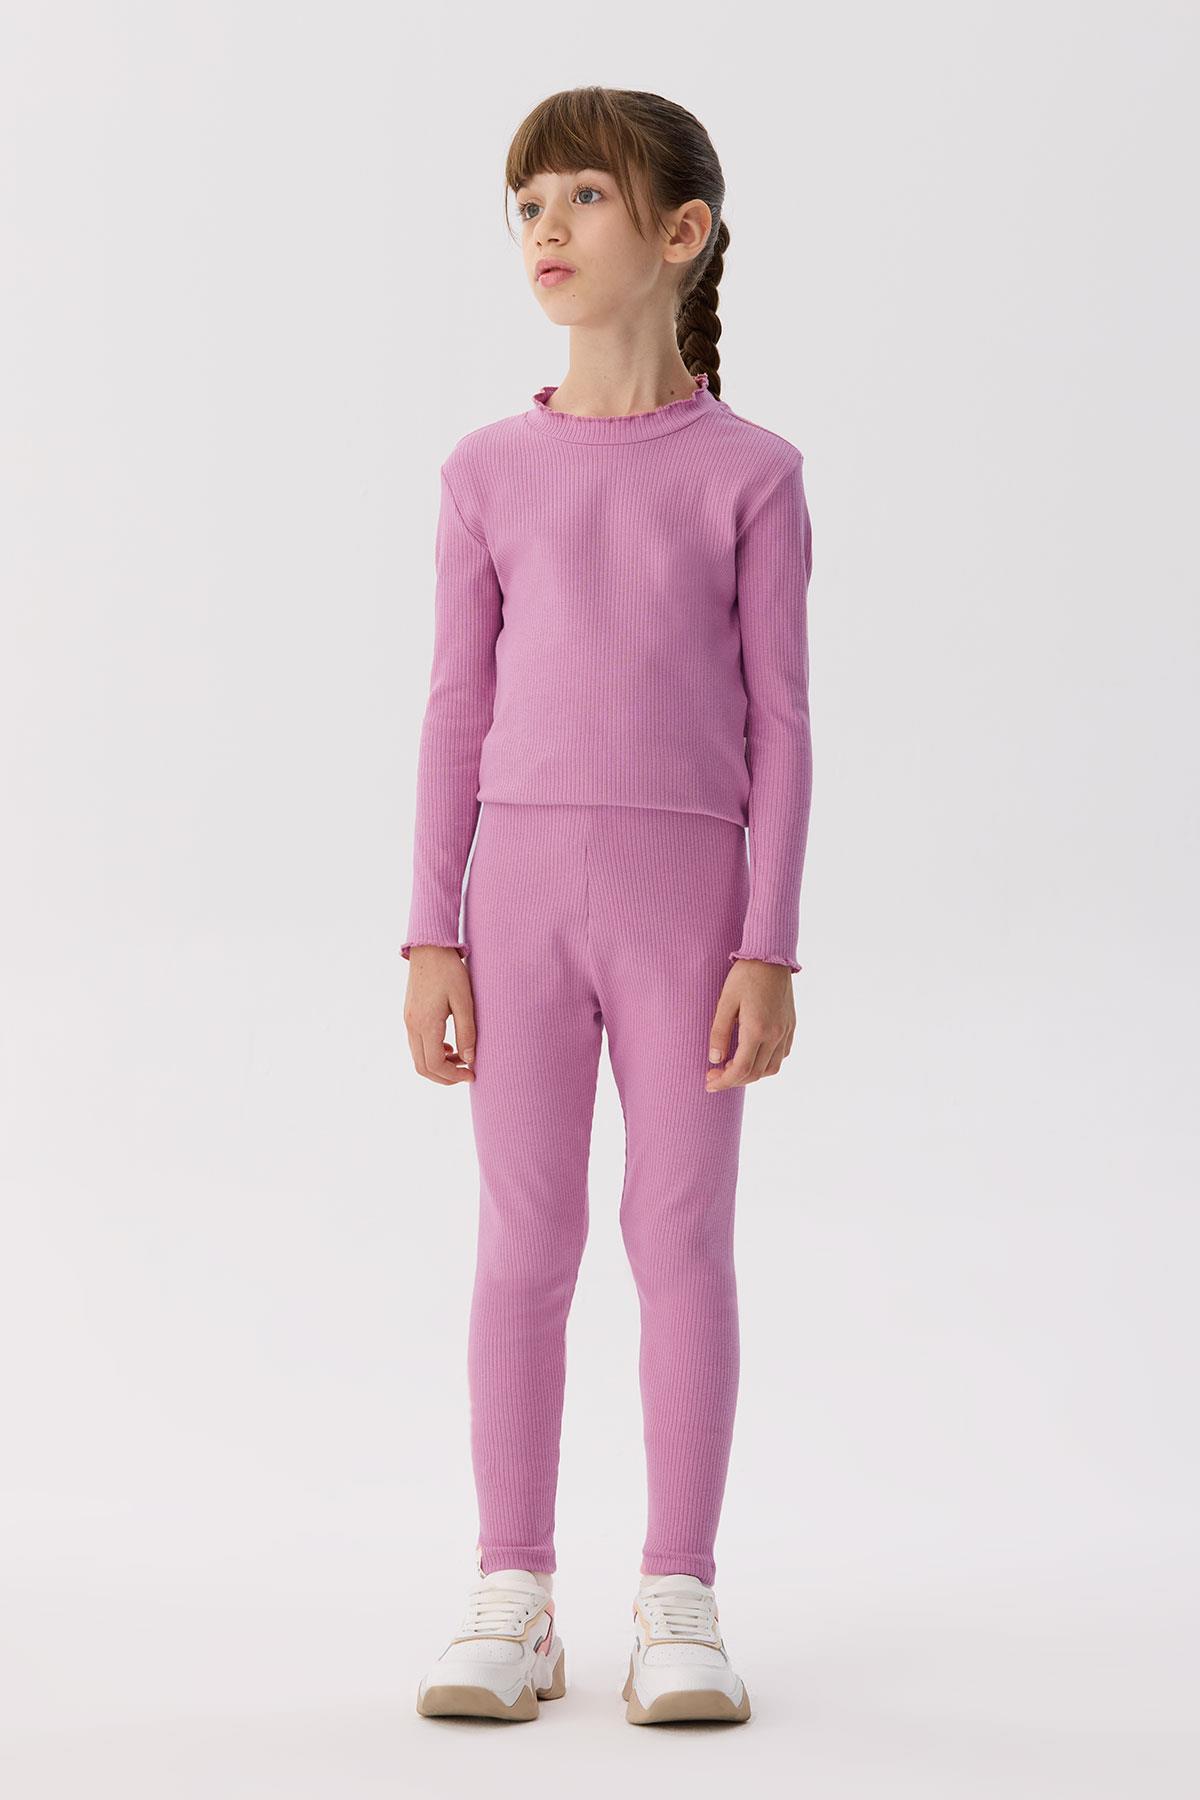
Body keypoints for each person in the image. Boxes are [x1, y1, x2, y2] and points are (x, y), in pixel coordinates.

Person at [404, 85, 813, 1727]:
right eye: (527, 204)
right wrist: (430, 928)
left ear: (680, 232)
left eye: (583, 196)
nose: (547, 229)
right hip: (515, 901)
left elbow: (784, 722)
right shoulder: (486, 470)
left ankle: (678, 1597)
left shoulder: (753, 474)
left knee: (679, 1235)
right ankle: (512, 1592)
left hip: (687, 898)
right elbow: (453, 708)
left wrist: (769, 943)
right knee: (526, 1239)